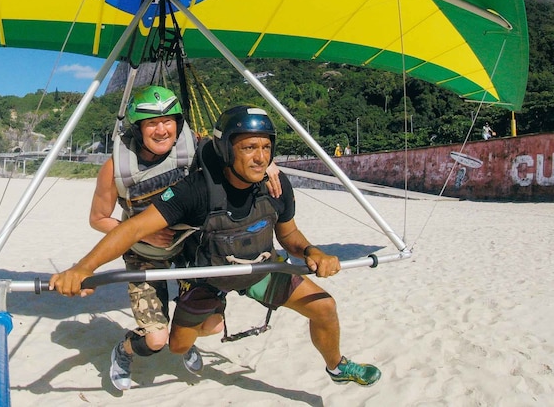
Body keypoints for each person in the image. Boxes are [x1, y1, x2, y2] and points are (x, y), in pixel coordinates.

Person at [52, 105, 381, 387]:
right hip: (208, 277)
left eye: (266, 148)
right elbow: (133, 228)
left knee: (324, 307)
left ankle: (337, 366)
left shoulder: (276, 186)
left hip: (260, 267)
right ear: (226, 150)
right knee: (177, 345)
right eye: (249, 148)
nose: (260, 158)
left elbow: (290, 235)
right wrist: (84, 268)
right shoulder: (194, 191)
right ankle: (164, 339)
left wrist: (312, 252)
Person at [89, 86, 283, 390]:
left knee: (213, 324)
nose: (162, 130)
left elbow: (237, 151)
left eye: (169, 121)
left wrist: (268, 164)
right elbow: (98, 218)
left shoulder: (194, 149)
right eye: (152, 123)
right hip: (144, 252)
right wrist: (146, 234)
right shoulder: (116, 166)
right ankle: (125, 350)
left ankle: (185, 336)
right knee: (155, 340)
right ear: (138, 129)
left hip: (188, 249)